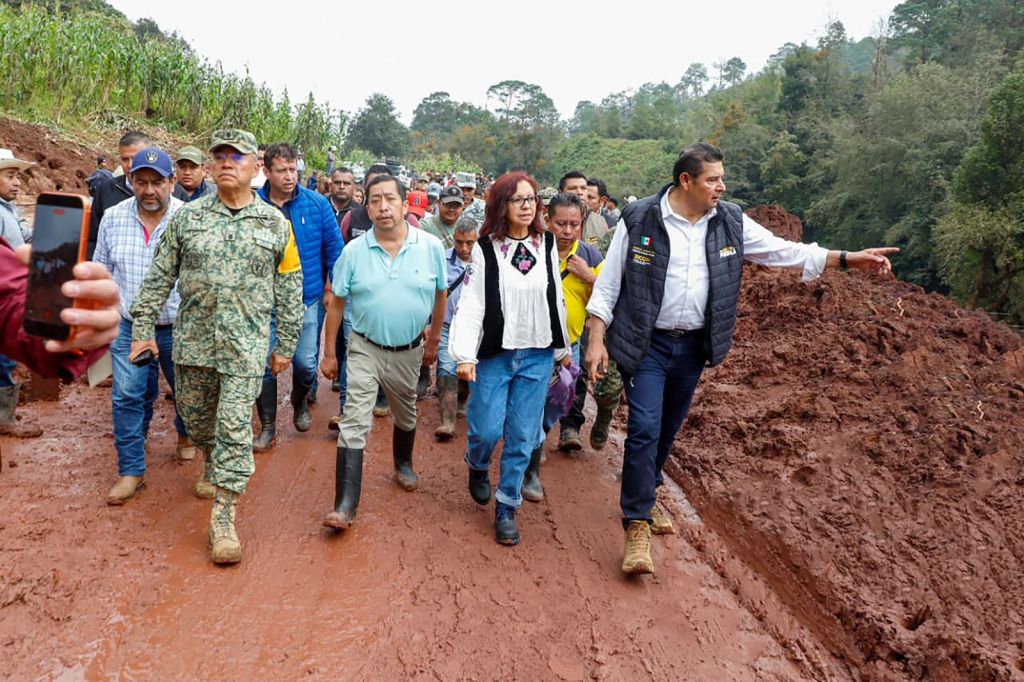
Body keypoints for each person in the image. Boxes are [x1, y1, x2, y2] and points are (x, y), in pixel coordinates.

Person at [586, 142, 899, 575]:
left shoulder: (730, 222)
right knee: (644, 428)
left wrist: (845, 259)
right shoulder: (640, 218)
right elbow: (609, 283)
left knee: (667, 429)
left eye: (722, 178)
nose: (722, 186)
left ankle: (648, 489)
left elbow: (783, 251)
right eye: (713, 179)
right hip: (646, 344)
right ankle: (636, 524)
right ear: (686, 181)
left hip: (694, 348)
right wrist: (596, 339)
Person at [129, 129, 303, 565]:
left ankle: (223, 518)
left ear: (256, 167)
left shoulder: (275, 225)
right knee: (197, 421)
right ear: (210, 165)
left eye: (237, 156)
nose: (227, 162)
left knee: (234, 428)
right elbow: (159, 276)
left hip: (245, 348)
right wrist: (142, 327)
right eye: (220, 155)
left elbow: (290, 287)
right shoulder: (186, 219)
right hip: (193, 346)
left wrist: (285, 343)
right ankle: (209, 459)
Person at [449, 172, 571, 546]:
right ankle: (477, 463)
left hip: (537, 354)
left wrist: (563, 348)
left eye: (531, 199)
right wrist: (465, 355)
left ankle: (507, 506)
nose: (526, 206)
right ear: (501, 205)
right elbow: (472, 303)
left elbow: (554, 295)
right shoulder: (486, 249)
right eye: (517, 199)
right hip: (496, 354)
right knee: (486, 430)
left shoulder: (546, 243)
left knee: (522, 435)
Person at [319, 175, 447, 530]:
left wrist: (434, 341)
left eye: (390, 199)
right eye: (375, 200)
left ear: (406, 206)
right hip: (364, 347)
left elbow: (440, 295)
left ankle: (403, 463)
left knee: (405, 413)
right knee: (354, 420)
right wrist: (329, 354)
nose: (383, 207)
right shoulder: (353, 252)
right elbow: (337, 304)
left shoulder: (430, 247)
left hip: (409, 350)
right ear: (367, 206)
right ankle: (345, 505)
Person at [92, 148, 195, 505]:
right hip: (129, 325)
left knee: (187, 394)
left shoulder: (190, 219)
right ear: (131, 181)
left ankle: (185, 432)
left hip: (178, 326)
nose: (149, 190)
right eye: (141, 182)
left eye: (157, 182)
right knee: (127, 395)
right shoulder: (113, 217)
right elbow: (102, 271)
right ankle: (131, 471)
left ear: (172, 182)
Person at [254, 143, 343, 450]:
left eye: (293, 169)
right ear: (266, 172)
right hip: (263, 303)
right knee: (264, 365)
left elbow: (335, 251)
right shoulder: (253, 206)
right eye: (282, 170)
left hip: (307, 300)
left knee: (305, 363)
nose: (290, 176)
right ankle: (267, 426)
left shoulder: (317, 205)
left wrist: (335, 290)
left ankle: (299, 400)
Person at [522, 192, 604, 501]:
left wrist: (589, 277)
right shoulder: (530, 250)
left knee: (557, 403)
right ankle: (531, 469)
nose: (568, 231)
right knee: (531, 404)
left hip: (570, 346)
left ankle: (538, 436)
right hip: (532, 346)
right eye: (560, 224)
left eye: (574, 224)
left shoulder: (591, 256)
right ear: (546, 220)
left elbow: (608, 297)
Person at [89, 131, 188, 257]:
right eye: (125, 159)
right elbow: (93, 240)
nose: (130, 165)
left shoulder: (182, 203)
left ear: (172, 183)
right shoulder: (108, 200)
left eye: (157, 183)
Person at [0, 148, 42, 438]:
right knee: (4, 360)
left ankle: (5, 414)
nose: (17, 183)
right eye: (10, 176)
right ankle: (5, 419)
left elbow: (25, 237)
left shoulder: (8, 209)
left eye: (18, 177)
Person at [433, 215, 478, 441]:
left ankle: (463, 400)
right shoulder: (441, 259)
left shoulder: (485, 261)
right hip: (447, 325)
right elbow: (434, 293)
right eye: (459, 242)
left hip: (474, 329)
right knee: (446, 369)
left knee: (468, 371)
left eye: (469, 243)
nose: (464, 248)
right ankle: (447, 421)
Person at [559, 171, 608, 246]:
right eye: (573, 188)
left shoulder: (600, 221)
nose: (579, 192)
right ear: (560, 193)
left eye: (583, 188)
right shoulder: (551, 221)